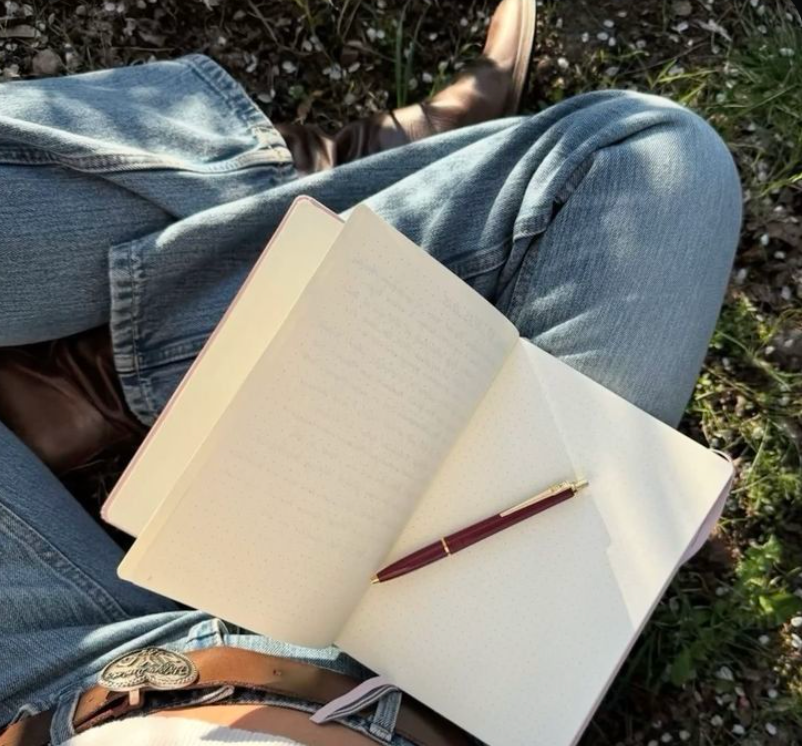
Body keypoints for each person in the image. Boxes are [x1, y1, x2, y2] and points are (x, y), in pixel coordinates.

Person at [0, 0, 742, 743]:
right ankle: (144, 347)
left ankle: (116, 366)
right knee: (650, 158)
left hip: (63, 690)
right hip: (433, 692)